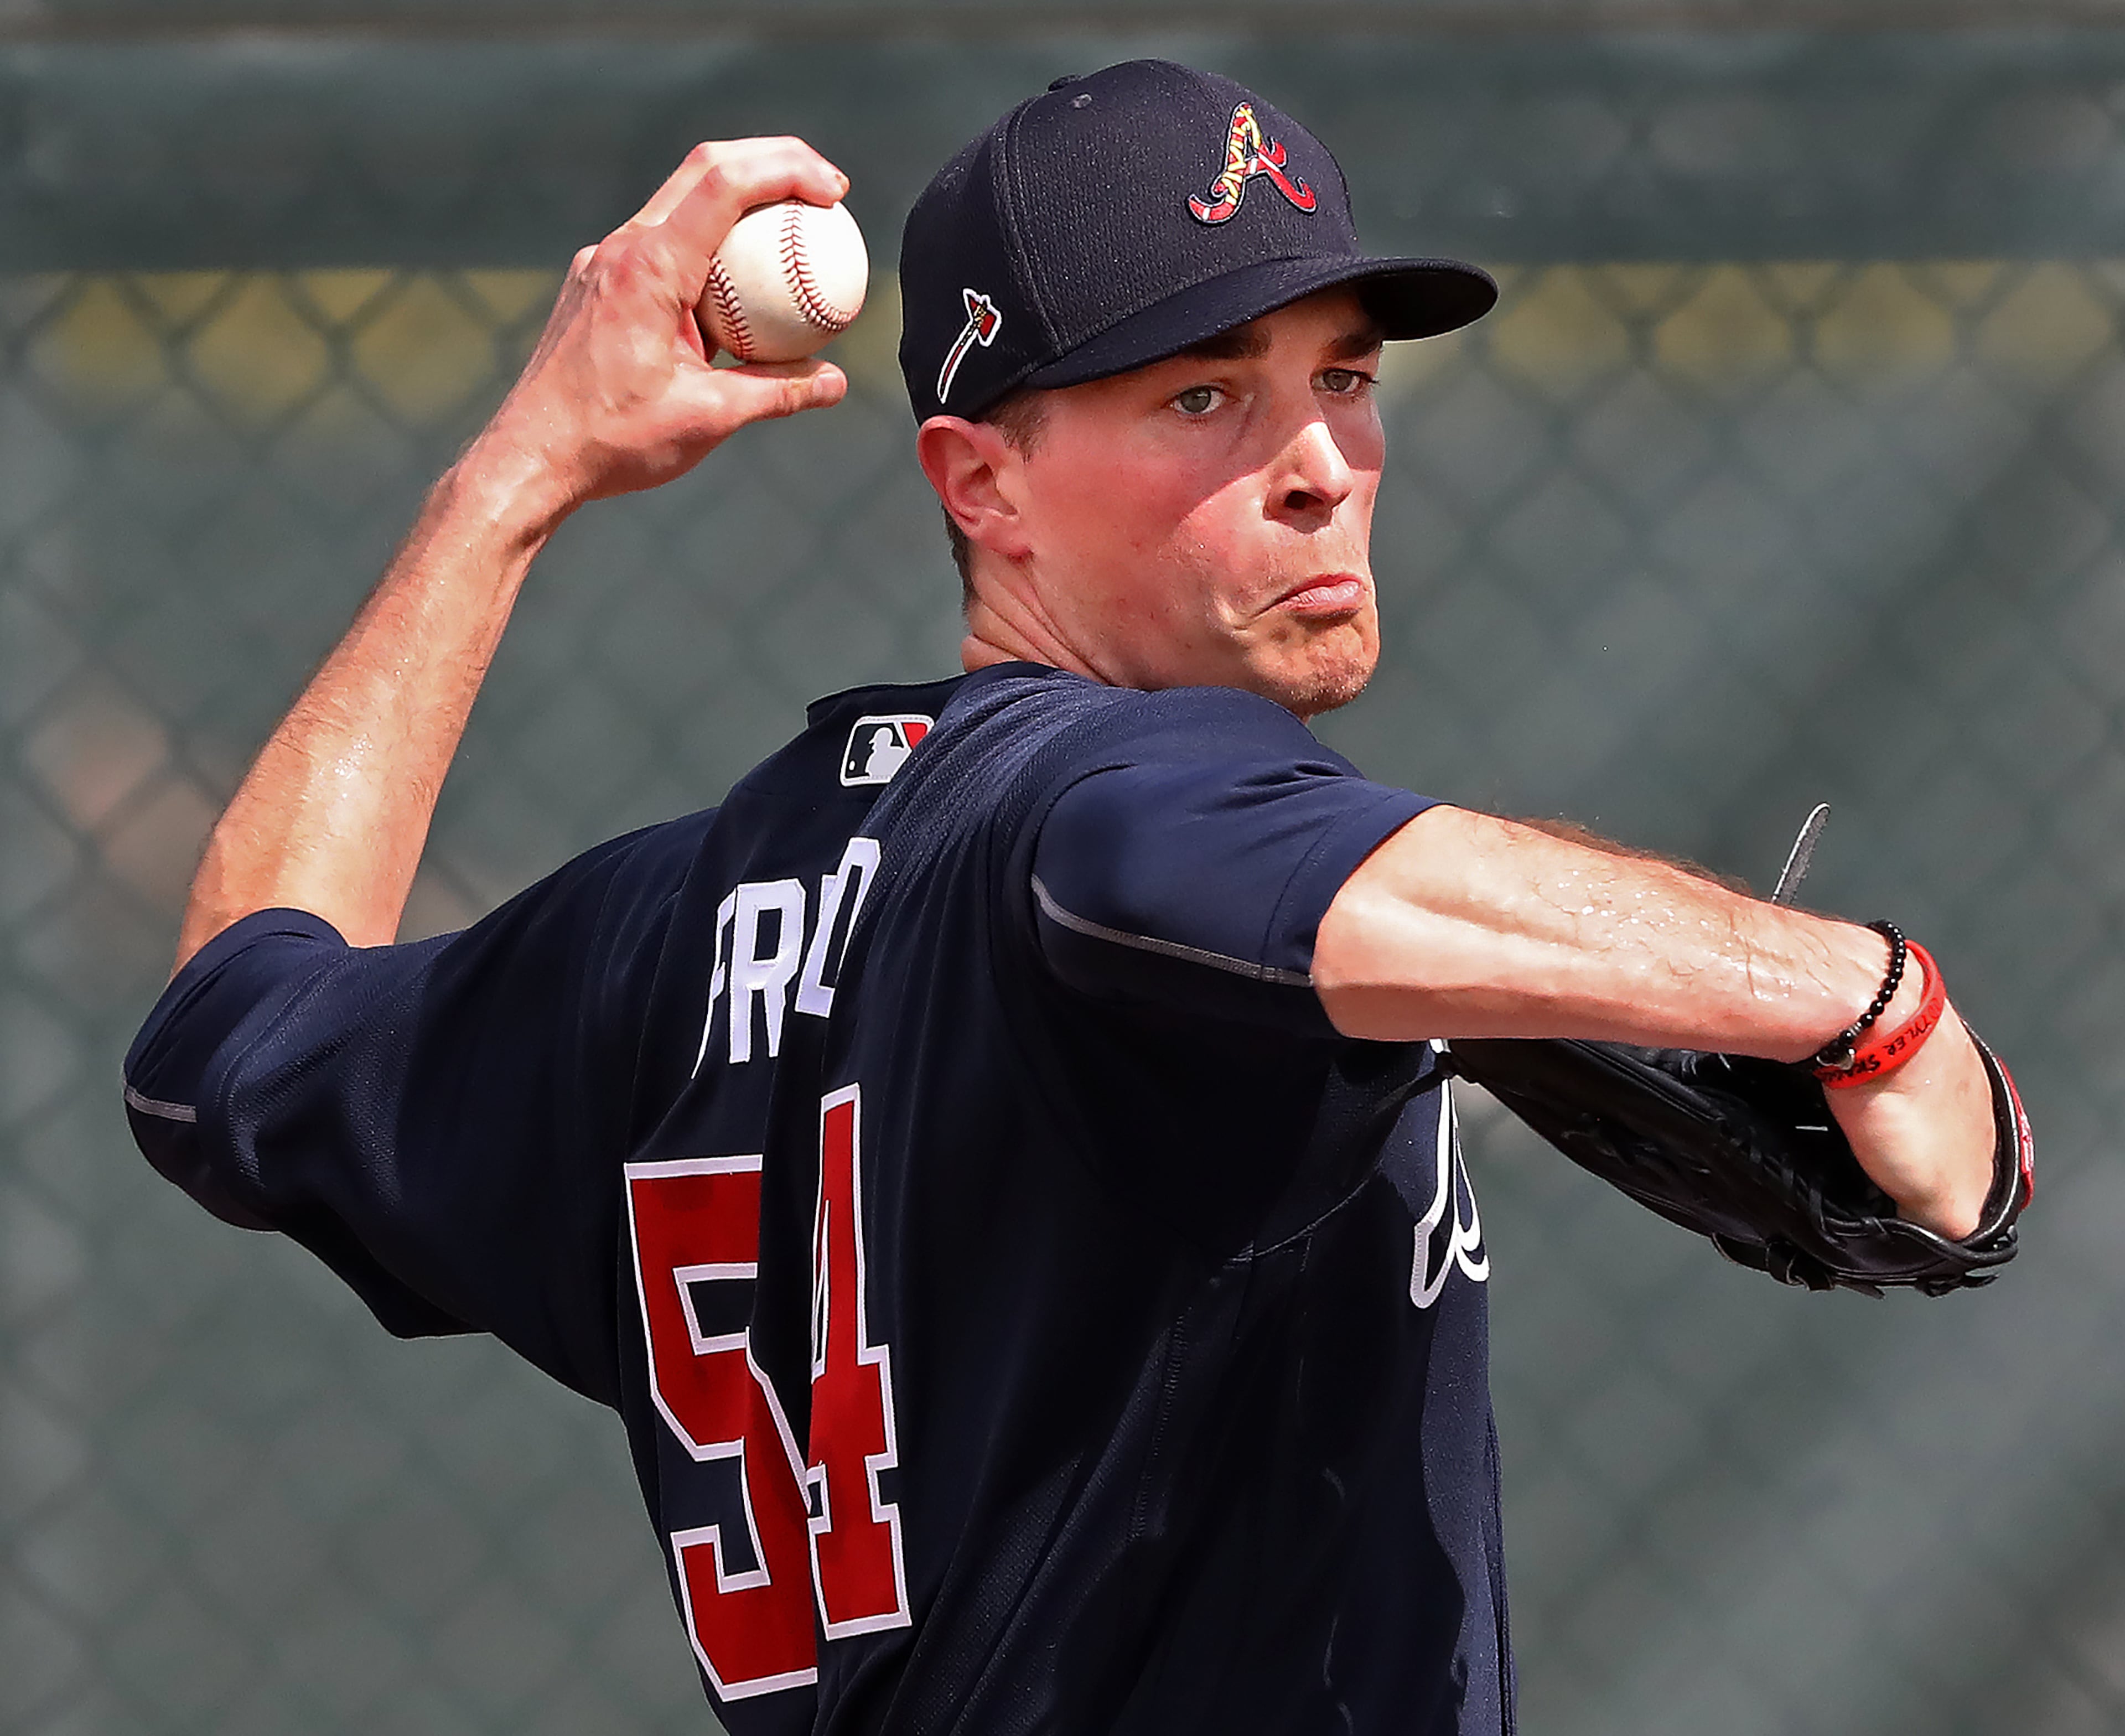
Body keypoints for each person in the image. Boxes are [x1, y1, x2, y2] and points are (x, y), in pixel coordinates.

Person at [123, 60, 2006, 1735]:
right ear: (982, 484)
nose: (1322, 467)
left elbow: (224, 1038)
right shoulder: (1107, 789)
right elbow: (1172, 866)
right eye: (1205, 395)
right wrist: (1863, 993)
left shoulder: (666, 933)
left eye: (1343, 376)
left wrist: (516, 475)